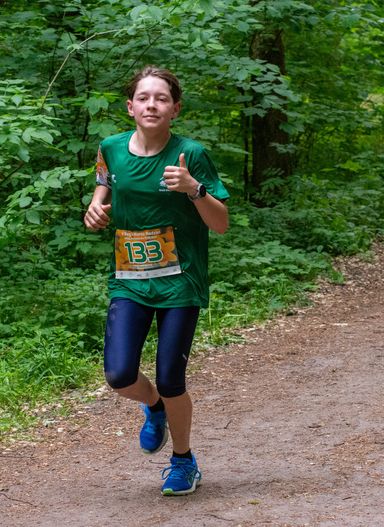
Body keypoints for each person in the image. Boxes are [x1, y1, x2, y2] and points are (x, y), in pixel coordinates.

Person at [84, 66, 229, 496]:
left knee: (171, 378)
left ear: (175, 108)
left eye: (161, 98)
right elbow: (103, 184)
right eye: (144, 98)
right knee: (119, 374)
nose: (152, 105)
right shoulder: (110, 148)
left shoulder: (191, 154)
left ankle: (183, 461)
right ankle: (154, 408)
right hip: (129, 280)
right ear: (130, 107)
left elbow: (220, 224)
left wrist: (194, 189)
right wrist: (95, 208)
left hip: (180, 283)